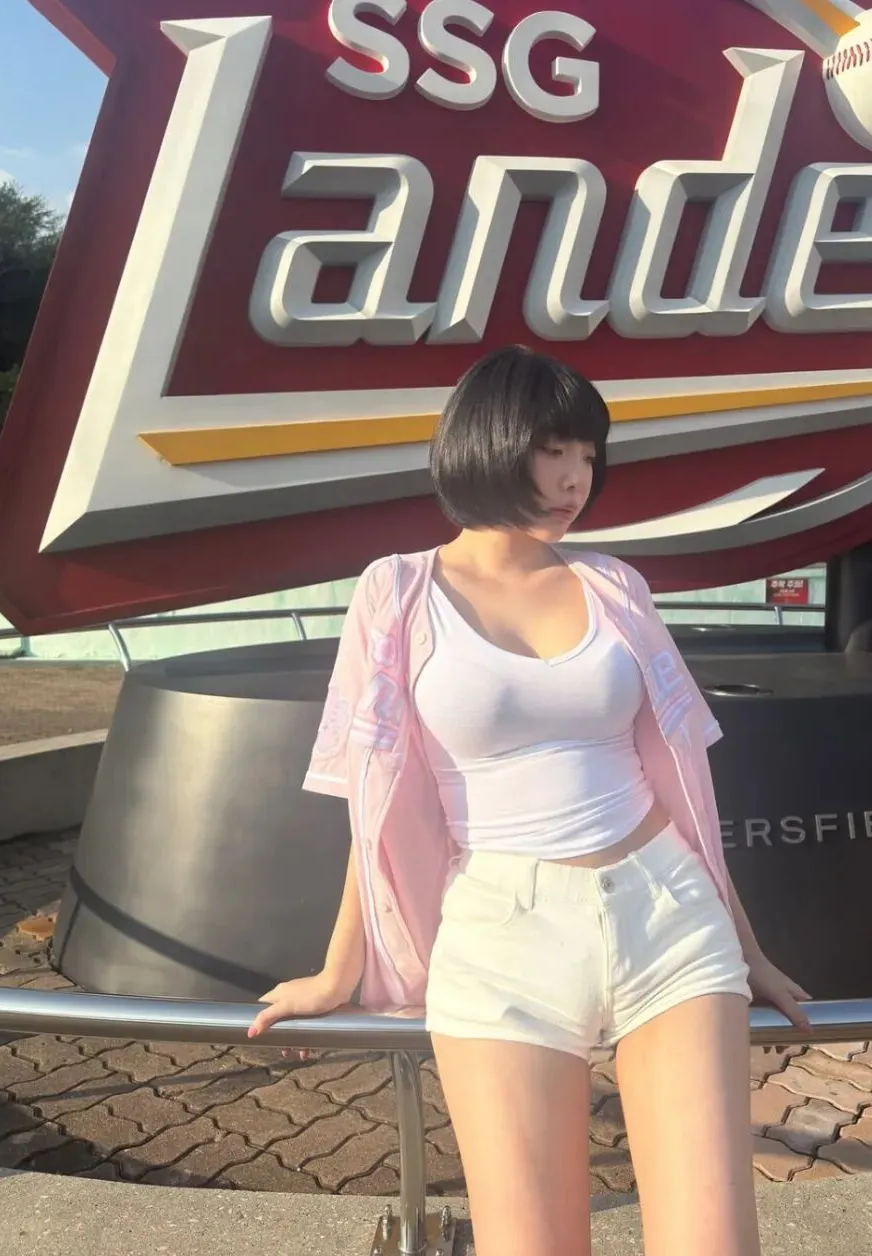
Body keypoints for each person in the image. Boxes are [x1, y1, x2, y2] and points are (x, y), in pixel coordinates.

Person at [248, 344, 810, 1256]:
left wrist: (747, 948)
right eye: (554, 451)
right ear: (488, 443)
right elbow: (372, 803)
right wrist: (337, 970)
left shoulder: (613, 586)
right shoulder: (397, 592)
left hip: (666, 913)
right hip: (501, 938)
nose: (575, 478)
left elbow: (685, 793)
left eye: (588, 455)